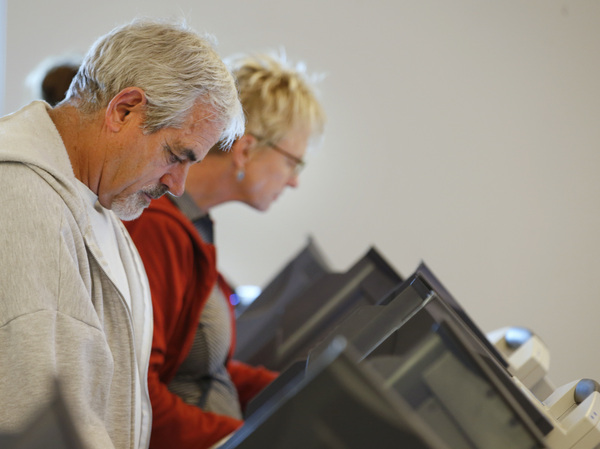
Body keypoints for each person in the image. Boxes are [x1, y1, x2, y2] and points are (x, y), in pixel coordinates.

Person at [0, 18, 244, 449]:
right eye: (175, 155)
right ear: (124, 110)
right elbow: (34, 415)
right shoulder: (21, 199)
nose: (178, 184)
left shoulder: (100, 199)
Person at [124, 52, 326, 449]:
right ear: (246, 149)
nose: (294, 182)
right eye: (293, 163)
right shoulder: (159, 226)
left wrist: (309, 383)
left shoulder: (194, 225)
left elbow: (201, 367)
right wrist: (246, 439)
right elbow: (138, 395)